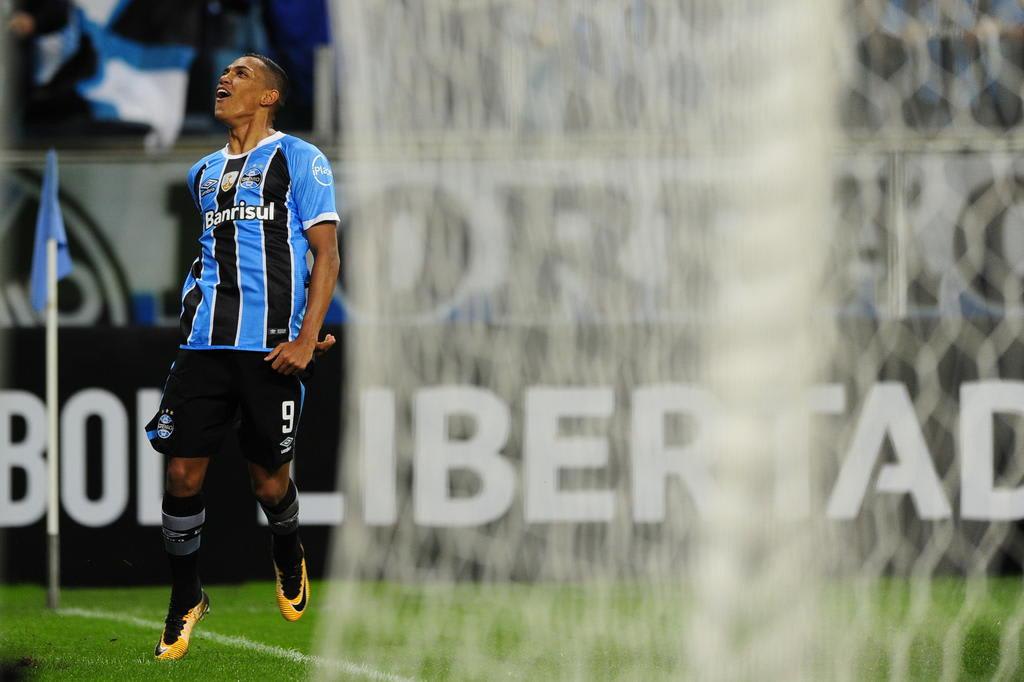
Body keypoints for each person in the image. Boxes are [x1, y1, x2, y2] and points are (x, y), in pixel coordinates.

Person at [144, 52, 340, 661]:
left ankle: (287, 550)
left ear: (269, 97)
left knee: (268, 480)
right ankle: (186, 596)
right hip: (203, 346)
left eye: (241, 73)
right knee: (180, 473)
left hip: (270, 351)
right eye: (223, 72)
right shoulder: (201, 173)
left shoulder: (301, 159)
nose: (224, 79)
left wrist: (306, 337)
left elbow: (325, 257)